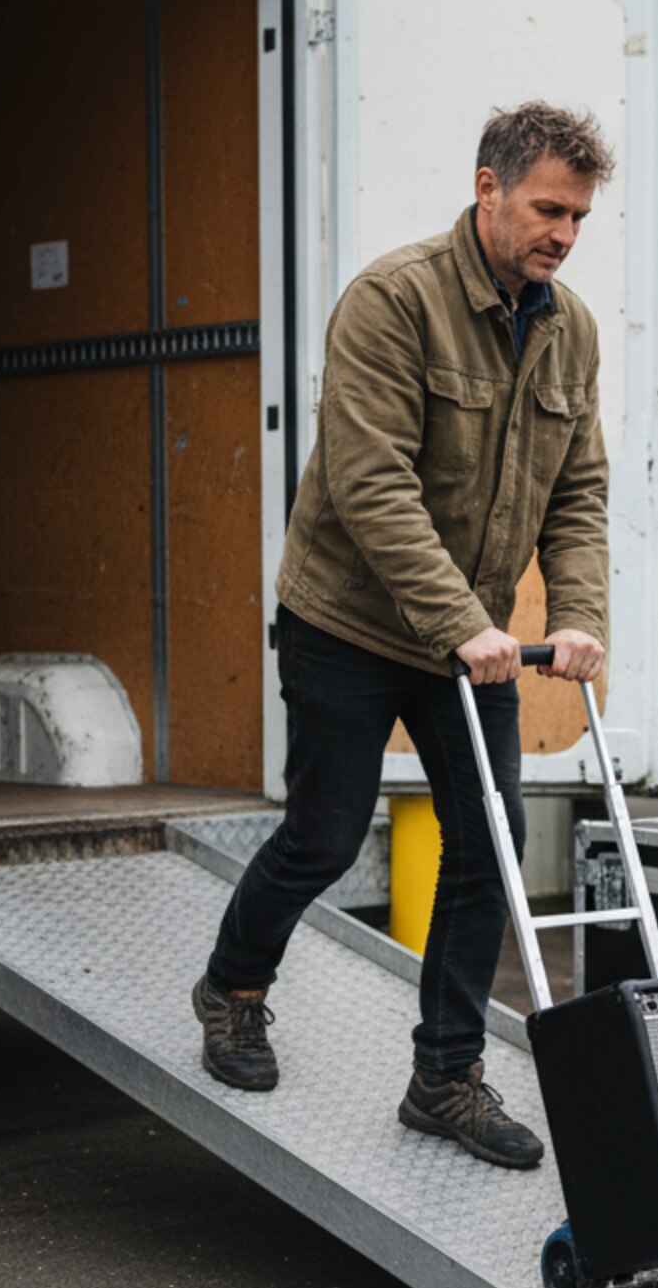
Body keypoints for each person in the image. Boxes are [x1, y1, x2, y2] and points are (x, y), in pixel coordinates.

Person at [191, 101, 614, 1169]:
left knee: (490, 847)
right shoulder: (393, 300)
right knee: (327, 835)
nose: (561, 233)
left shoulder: (569, 330)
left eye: (577, 216)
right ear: (488, 189)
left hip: (467, 643)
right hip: (348, 619)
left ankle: (444, 1077)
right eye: (546, 208)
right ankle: (233, 988)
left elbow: (579, 493)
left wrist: (574, 616)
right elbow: (368, 484)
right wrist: (464, 621)